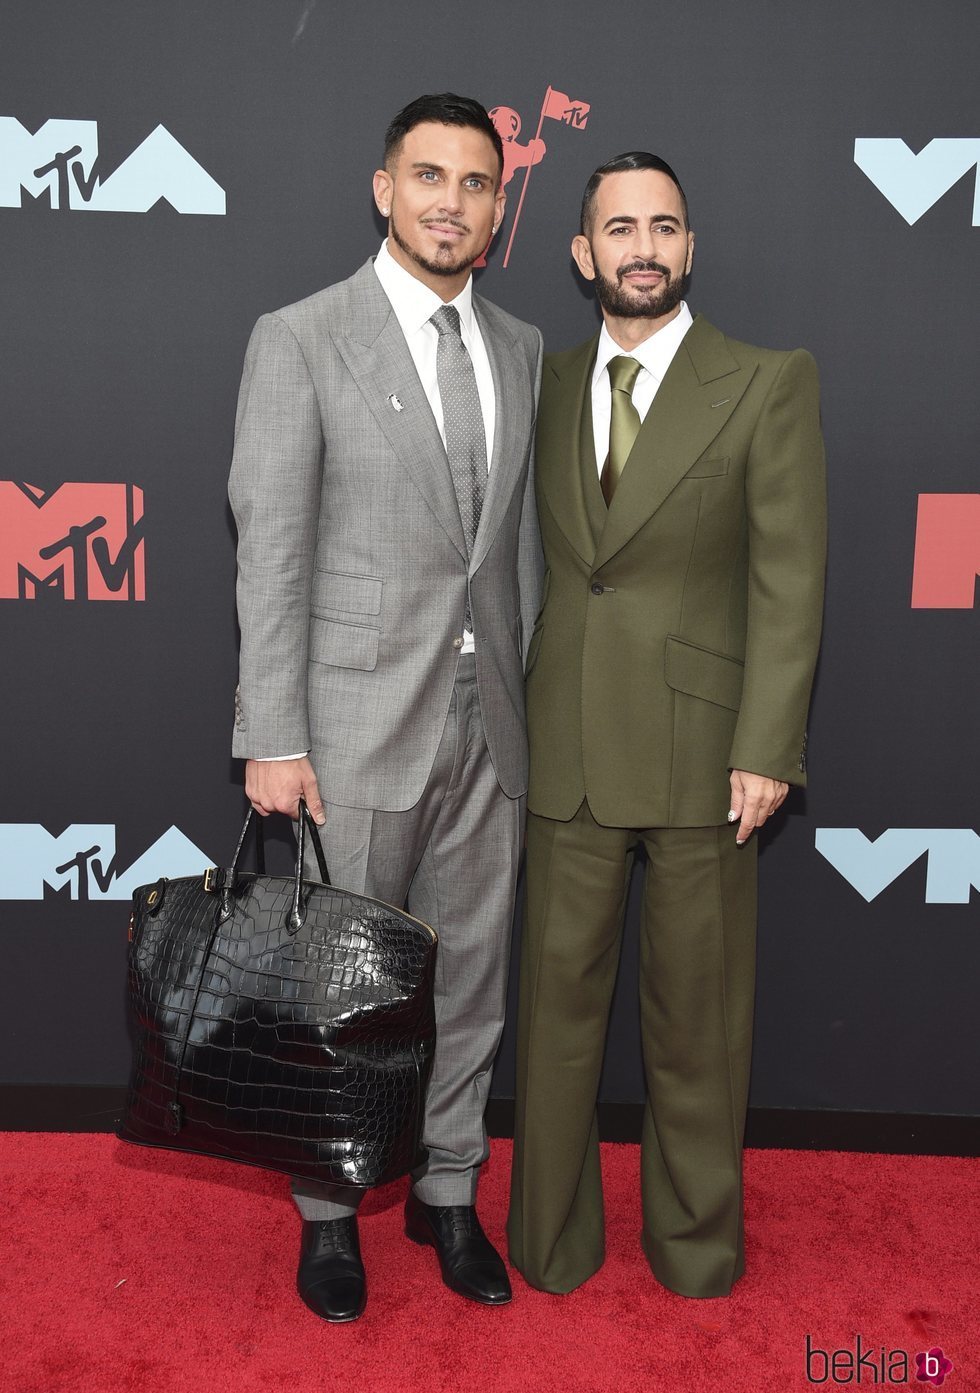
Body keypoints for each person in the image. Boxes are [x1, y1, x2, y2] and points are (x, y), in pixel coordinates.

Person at [228, 93, 543, 1322]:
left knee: (468, 980)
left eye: (474, 183)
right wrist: (272, 733)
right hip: (351, 729)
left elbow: (507, 553)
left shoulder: (517, 346)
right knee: (343, 990)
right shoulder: (301, 337)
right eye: (428, 177)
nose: (449, 203)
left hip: (490, 727)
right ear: (383, 188)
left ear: (496, 204)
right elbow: (273, 548)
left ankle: (447, 1188)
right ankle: (327, 1213)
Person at [507, 152, 826, 1299]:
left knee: (697, 1031)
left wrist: (766, 744)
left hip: (705, 758)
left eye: (664, 226)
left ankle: (693, 1249)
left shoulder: (763, 380)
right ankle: (547, 1241)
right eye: (618, 228)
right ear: (581, 253)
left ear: (688, 249)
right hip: (561, 749)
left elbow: (791, 582)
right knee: (550, 1030)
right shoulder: (534, 383)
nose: (642, 246)